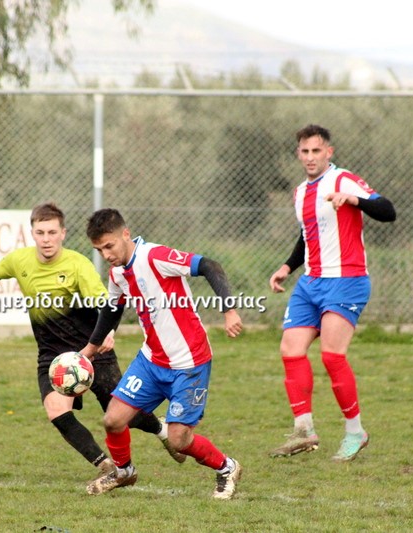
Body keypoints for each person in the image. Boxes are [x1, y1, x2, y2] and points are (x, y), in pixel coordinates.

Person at [0, 203, 185, 484]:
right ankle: (108, 466)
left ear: (63, 233)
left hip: (92, 351)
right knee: (57, 412)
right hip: (53, 355)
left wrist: (108, 334)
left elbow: (107, 304)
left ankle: (161, 430)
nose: (46, 239)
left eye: (52, 232)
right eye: (40, 233)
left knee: (124, 417)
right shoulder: (19, 261)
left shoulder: (77, 265)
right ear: (32, 233)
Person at [80, 208, 243, 500]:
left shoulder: (155, 257)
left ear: (125, 234)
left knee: (179, 439)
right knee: (113, 420)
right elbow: (112, 310)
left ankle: (227, 467)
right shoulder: (117, 273)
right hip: (151, 361)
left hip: (189, 363)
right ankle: (124, 472)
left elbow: (210, 265)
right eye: (99, 249)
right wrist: (89, 350)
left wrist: (229, 309)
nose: (106, 254)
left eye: (109, 246)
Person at [268, 124, 396, 462]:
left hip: (346, 280)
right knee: (290, 349)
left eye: (316, 151)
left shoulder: (343, 180)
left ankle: (355, 432)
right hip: (310, 282)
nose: (310, 157)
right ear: (298, 154)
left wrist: (354, 200)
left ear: (329, 152)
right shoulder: (300, 192)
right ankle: (304, 430)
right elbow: (308, 236)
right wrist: (287, 267)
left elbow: (388, 211)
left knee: (331, 356)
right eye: (305, 151)